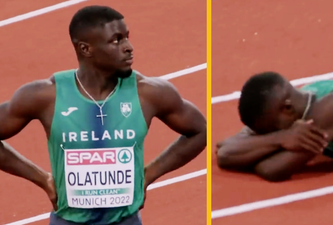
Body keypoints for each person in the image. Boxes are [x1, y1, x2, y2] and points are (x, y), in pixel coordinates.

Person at [0, 5, 206, 225]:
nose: (129, 47)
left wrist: (148, 175)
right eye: (116, 40)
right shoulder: (45, 96)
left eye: (127, 37)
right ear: (85, 49)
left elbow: (199, 130)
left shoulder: (149, 93)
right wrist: (41, 179)